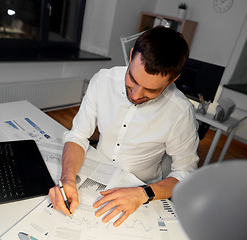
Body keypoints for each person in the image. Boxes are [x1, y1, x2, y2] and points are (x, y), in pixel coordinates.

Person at [49, 26, 199, 227]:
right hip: (94, 175)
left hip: (140, 190)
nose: (136, 95)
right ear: (131, 56)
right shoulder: (103, 81)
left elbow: (185, 173)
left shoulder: (180, 113)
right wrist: (67, 179)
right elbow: (78, 136)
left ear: (173, 79)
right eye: (133, 80)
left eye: (151, 90)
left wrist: (143, 193)